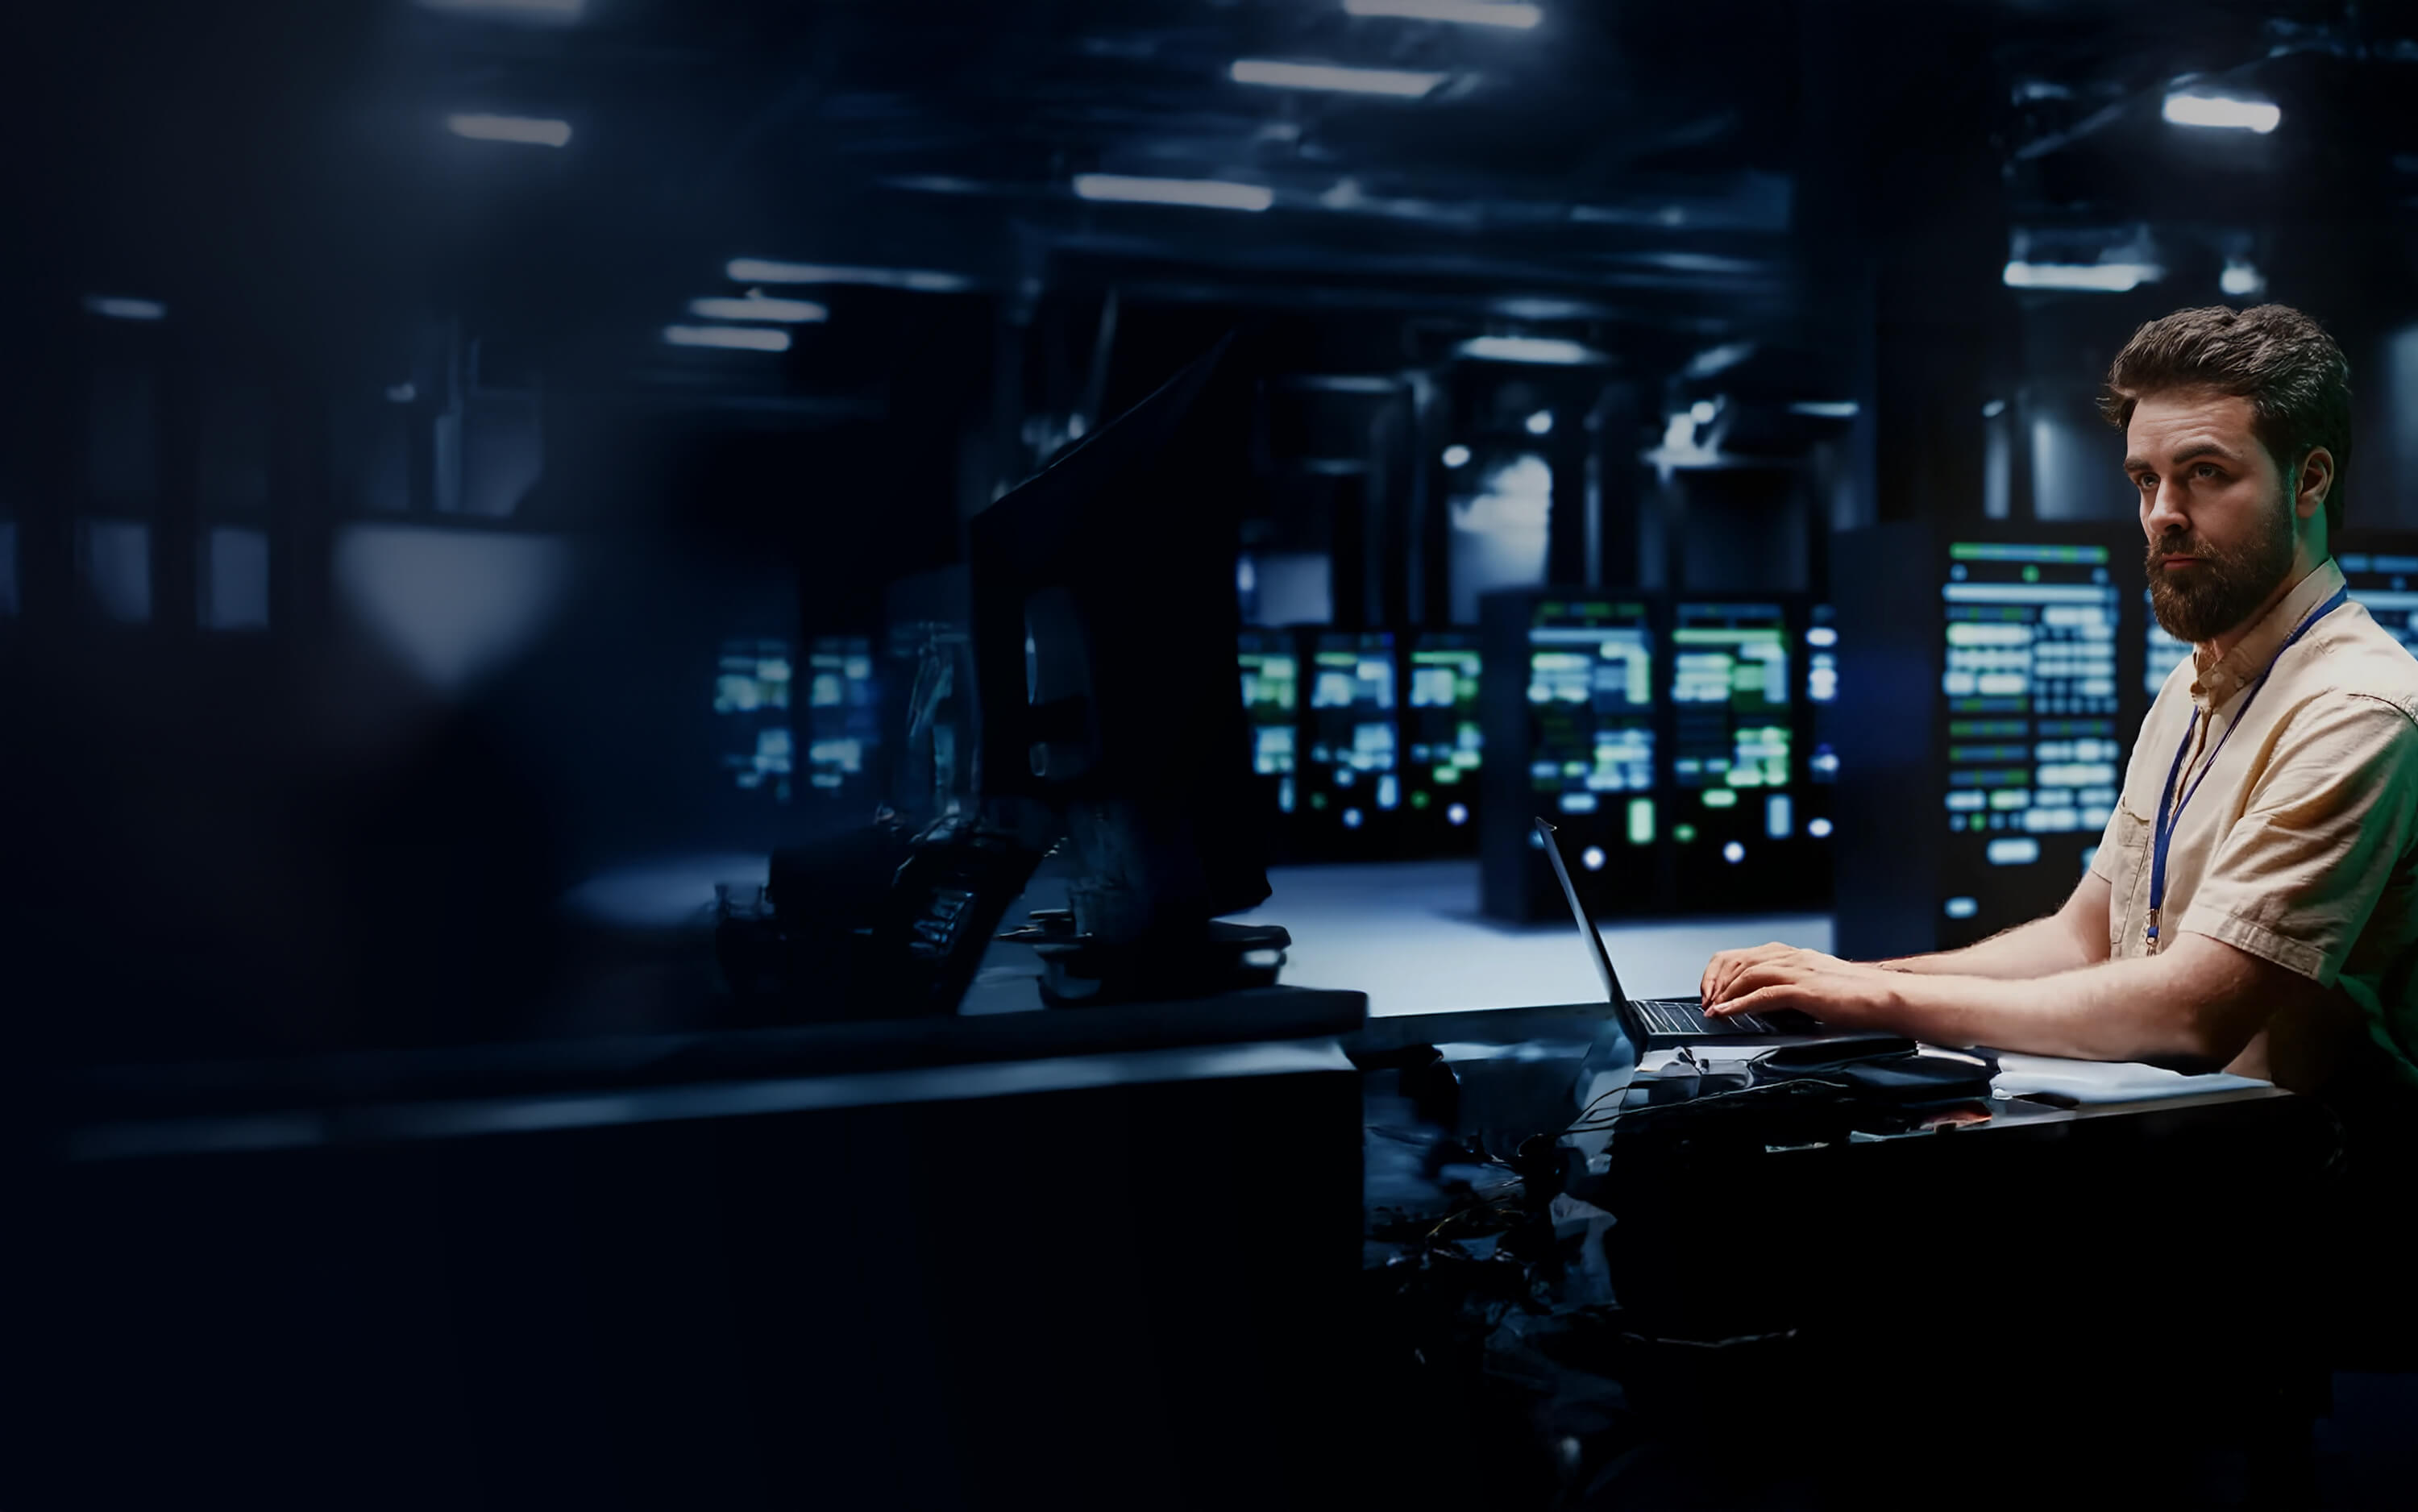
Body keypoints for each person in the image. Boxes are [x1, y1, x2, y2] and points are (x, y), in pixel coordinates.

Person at [1701, 304, 2418, 1127]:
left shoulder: (2357, 709)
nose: (2162, 513)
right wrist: (1840, 979)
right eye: (2147, 479)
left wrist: (1876, 996)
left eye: (2206, 473)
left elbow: (2193, 1014)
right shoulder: (2197, 685)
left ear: (2311, 479)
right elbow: (2082, 938)